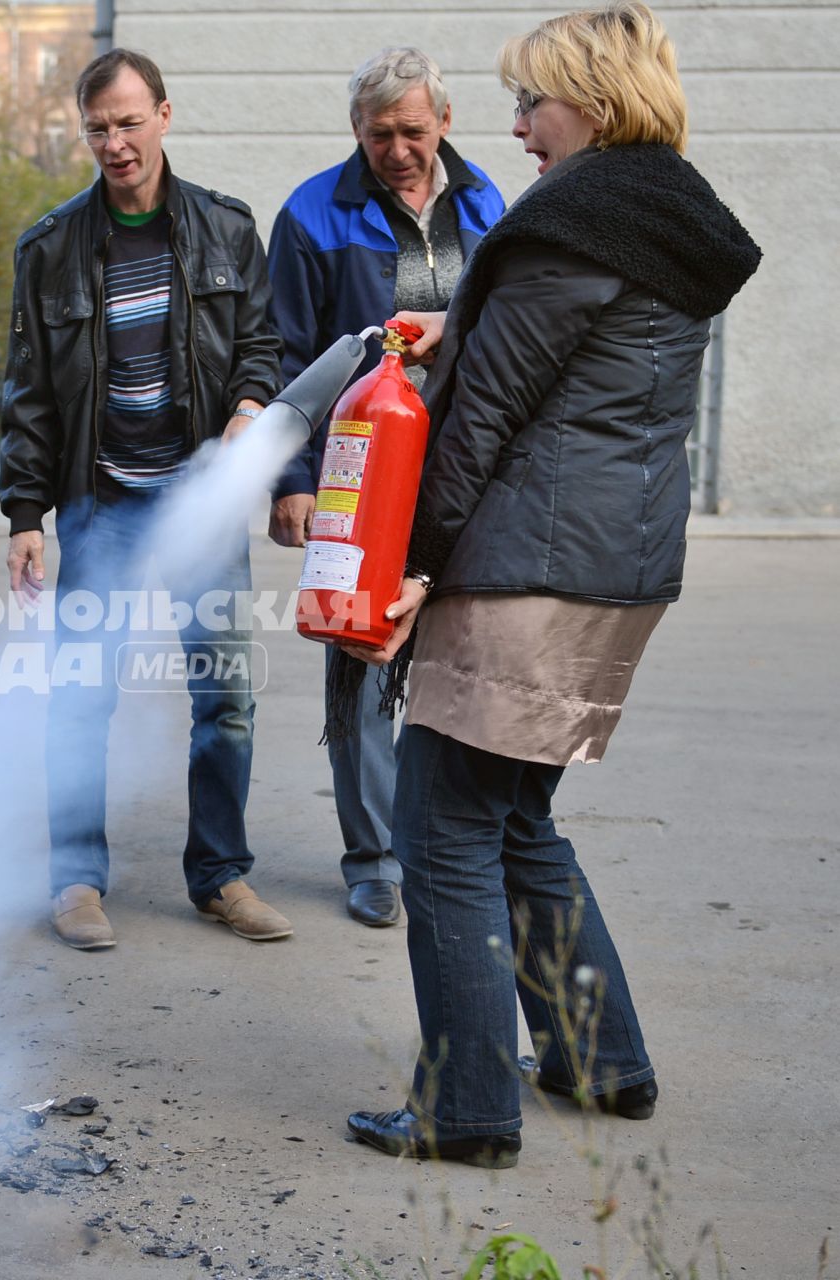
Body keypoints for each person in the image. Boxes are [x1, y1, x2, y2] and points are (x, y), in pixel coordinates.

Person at [339, 1, 759, 1166]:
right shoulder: (670, 216)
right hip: (614, 570)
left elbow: (489, 414)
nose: (519, 128)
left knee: (444, 826)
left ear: (595, 99)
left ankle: (467, 1108)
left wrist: (413, 565)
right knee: (516, 814)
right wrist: (460, 311)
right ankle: (600, 1060)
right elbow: (581, 363)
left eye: (533, 101)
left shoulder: (572, 218)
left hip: (525, 567)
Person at [0, 49, 287, 950]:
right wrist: (22, 518)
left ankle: (220, 877)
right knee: (82, 694)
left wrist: (247, 406)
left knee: (224, 697)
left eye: (129, 122)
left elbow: (261, 345)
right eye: (97, 128)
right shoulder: (48, 248)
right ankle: (77, 879)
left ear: (164, 115)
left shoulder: (227, 230)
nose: (115, 143)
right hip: (100, 500)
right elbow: (29, 394)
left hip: (198, 504)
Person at [265, 47, 504, 929]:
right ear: (354, 132)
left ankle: (446, 841)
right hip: (358, 472)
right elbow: (286, 353)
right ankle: (373, 860)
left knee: (457, 661)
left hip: (461, 469)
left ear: (443, 121)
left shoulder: (485, 204)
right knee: (361, 658)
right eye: (378, 135)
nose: (396, 149)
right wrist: (290, 479)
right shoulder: (310, 213)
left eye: (411, 131)